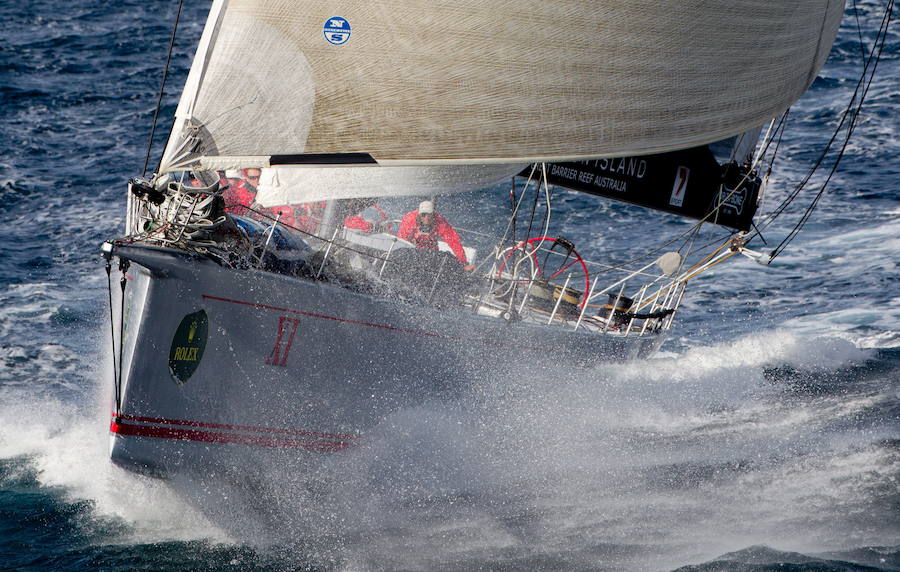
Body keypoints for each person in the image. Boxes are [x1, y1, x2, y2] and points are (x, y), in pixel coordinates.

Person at [398, 200, 473, 270]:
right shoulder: (410, 219)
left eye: (429, 215)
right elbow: (402, 240)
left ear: (433, 214)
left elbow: (454, 241)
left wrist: (464, 263)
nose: (426, 218)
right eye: (423, 215)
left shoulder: (440, 222)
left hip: (431, 252)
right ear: (419, 214)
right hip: (413, 250)